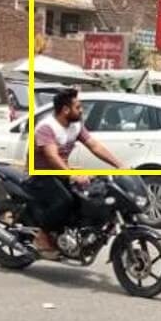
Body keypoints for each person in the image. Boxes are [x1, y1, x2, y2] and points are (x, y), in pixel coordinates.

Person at [28, 87, 125, 253]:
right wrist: (71, 174)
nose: (81, 111)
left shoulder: (75, 125)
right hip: (42, 174)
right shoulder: (46, 127)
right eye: (78, 107)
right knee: (65, 201)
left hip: (62, 172)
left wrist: (119, 165)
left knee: (93, 195)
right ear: (65, 110)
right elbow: (51, 156)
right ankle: (42, 235)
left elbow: (94, 146)